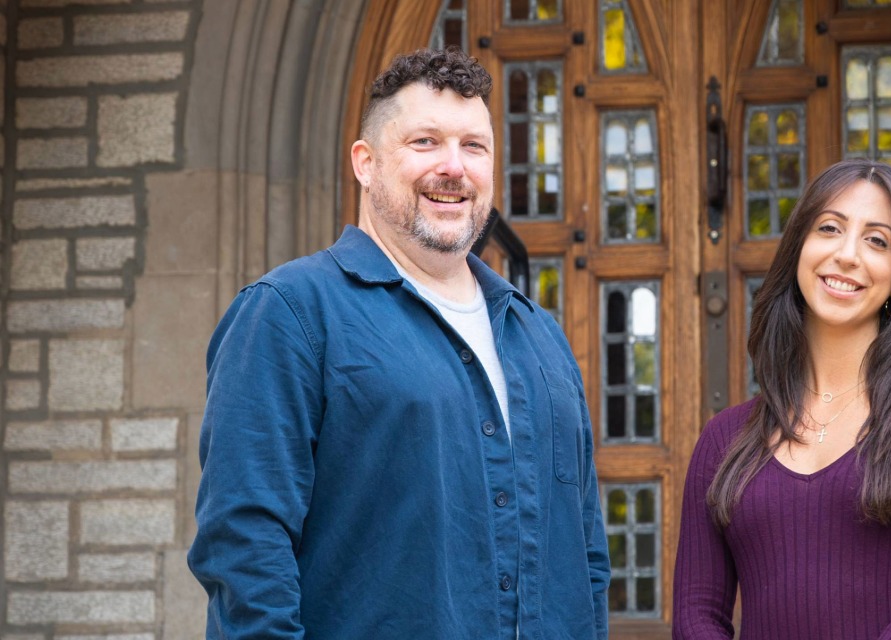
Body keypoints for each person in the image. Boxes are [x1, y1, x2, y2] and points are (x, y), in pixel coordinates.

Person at [188, 48, 609, 639]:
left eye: (474, 146)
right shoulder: (289, 313)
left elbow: (586, 554)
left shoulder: (540, 336)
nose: (454, 167)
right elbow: (245, 549)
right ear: (365, 162)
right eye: (425, 142)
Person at [672, 159, 891, 639]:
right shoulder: (724, 438)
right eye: (829, 228)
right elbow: (695, 613)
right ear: (799, 250)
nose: (847, 254)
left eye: (877, 240)